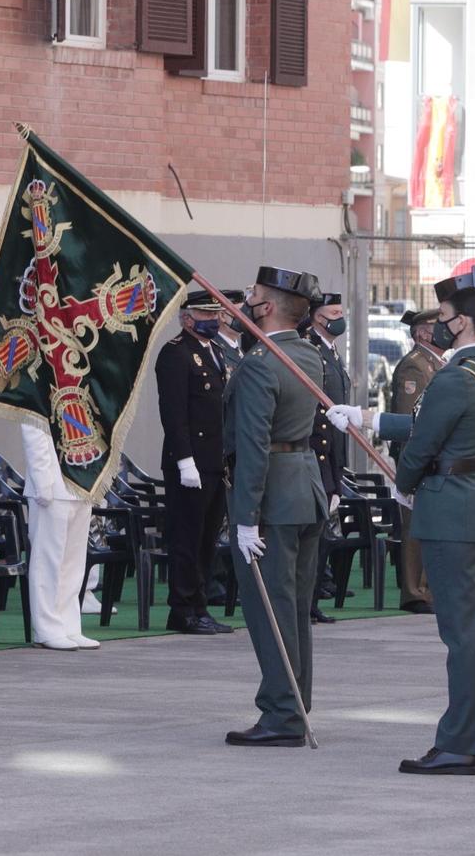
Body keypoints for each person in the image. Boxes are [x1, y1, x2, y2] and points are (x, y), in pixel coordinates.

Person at [329, 265, 475, 775]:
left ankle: (460, 744)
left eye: (445, 317)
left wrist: (404, 484)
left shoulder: (453, 375)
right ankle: (474, 738)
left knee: (462, 637)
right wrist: (367, 418)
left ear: (461, 323)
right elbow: (433, 422)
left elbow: (424, 442)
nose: (437, 325)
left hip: (452, 511)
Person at [223, 265, 328, 748]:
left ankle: (282, 714)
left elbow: (252, 447)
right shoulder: (306, 355)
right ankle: (295, 703)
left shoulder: (261, 364)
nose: (247, 301)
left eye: (253, 295)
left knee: (272, 611)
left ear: (264, 309)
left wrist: (245, 518)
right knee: (294, 608)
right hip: (303, 491)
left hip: (271, 502)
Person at [154, 291, 231, 635]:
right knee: (187, 537)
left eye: (215, 313)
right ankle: (182, 609)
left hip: (215, 462)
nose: (212, 319)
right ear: (186, 317)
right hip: (190, 464)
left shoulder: (214, 352)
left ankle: (200, 605)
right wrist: (185, 460)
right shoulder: (176, 353)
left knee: (206, 538)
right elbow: (175, 415)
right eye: (204, 313)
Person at [389, 307, 447, 614]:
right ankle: (414, 592)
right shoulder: (415, 366)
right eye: (438, 326)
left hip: (434, 458)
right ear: (423, 332)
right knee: (414, 526)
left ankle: (428, 589)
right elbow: (407, 420)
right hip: (418, 458)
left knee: (429, 524)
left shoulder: (435, 364)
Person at [305, 291, 349, 624]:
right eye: (334, 312)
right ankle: (306, 600)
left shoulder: (332, 352)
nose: (340, 318)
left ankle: (314, 597)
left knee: (323, 535)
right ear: (319, 317)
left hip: (333, 452)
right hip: (316, 452)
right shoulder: (312, 350)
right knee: (314, 535)